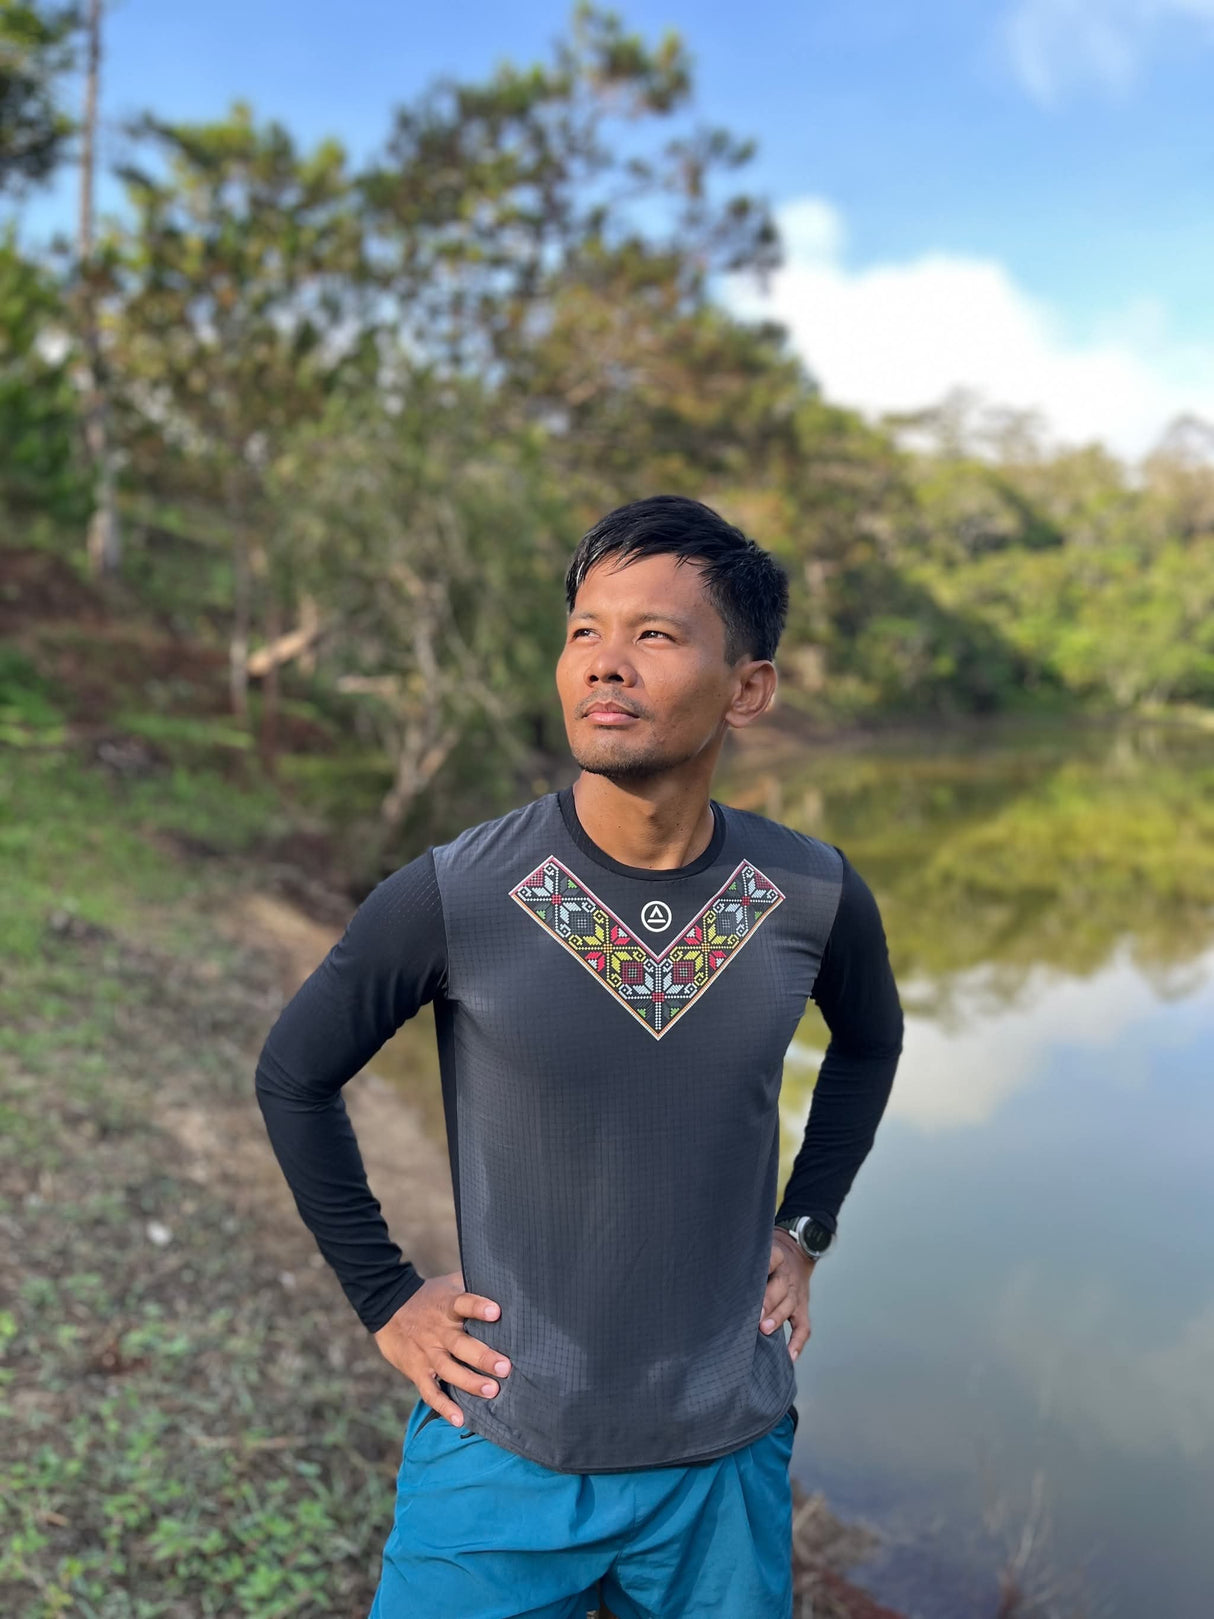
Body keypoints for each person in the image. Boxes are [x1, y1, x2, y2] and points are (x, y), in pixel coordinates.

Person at [254, 495, 903, 1619]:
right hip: (502, 1440)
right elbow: (293, 1075)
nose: (604, 664)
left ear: (747, 687)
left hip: (719, 1456)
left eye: (653, 635)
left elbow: (870, 1041)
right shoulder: (461, 891)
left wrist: (804, 1228)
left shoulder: (809, 891)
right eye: (583, 631)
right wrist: (387, 1296)